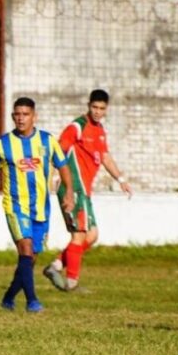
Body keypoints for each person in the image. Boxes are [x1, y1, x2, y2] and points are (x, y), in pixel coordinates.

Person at [0, 97, 74, 312]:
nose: (20, 118)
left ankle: (8, 298)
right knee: (24, 250)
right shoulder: (2, 145)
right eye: (17, 114)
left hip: (42, 209)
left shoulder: (47, 141)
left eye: (25, 114)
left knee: (30, 259)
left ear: (34, 116)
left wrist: (69, 192)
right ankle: (32, 301)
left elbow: (63, 166)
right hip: (16, 207)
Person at [43, 89, 132, 291]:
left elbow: (106, 157)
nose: (98, 111)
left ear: (106, 109)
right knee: (79, 235)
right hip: (73, 187)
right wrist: (59, 179)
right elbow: (59, 150)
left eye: (102, 108)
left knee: (91, 235)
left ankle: (56, 266)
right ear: (88, 105)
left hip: (84, 190)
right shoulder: (77, 127)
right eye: (95, 107)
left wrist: (121, 179)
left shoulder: (100, 131)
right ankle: (72, 283)